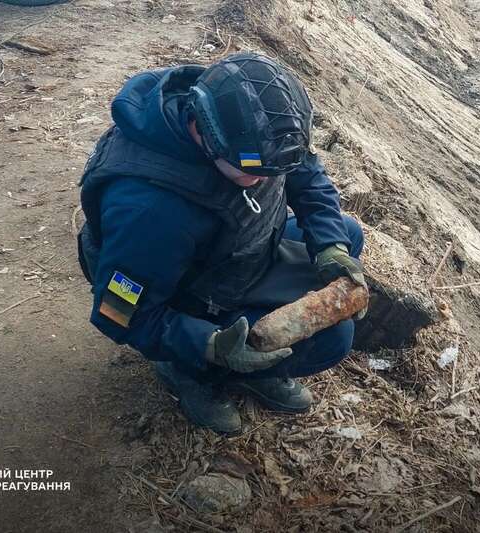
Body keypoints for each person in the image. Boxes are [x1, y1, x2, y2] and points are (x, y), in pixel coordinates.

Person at [77, 53, 367, 435]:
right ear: (207, 138)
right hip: (184, 286)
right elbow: (117, 312)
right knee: (333, 338)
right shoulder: (150, 212)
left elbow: (308, 178)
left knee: (347, 234)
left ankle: (253, 366)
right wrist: (209, 344)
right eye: (256, 172)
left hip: (235, 251)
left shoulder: (257, 127)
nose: (268, 180)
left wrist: (331, 246)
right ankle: (192, 371)